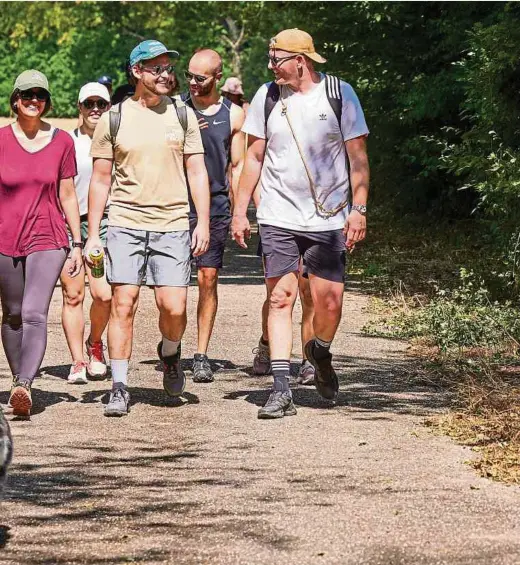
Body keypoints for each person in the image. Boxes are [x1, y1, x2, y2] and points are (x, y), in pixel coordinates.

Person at [231, 29, 370, 419]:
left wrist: (358, 210)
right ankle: (281, 388)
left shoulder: (340, 95)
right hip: (278, 215)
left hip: (328, 219)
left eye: (277, 59)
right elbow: (254, 158)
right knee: (280, 299)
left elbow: (357, 158)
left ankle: (320, 352)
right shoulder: (268, 96)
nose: (271, 66)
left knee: (329, 303)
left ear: (300, 61)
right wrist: (242, 210)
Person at [85, 40, 210, 417]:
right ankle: (120, 385)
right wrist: (93, 234)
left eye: (168, 68)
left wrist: (201, 221)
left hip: (172, 224)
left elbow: (197, 171)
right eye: (155, 68)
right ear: (137, 72)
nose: (165, 75)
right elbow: (100, 181)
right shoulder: (114, 117)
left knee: (174, 307)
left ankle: (170, 353)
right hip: (125, 223)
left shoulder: (183, 116)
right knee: (124, 303)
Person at [0, 70, 82, 417]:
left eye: (41, 96)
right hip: (4, 237)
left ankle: (24, 383)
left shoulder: (62, 141)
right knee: (13, 313)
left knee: (34, 312)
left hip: (48, 236)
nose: (35, 101)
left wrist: (77, 242)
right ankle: (21, 379)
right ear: (15, 100)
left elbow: (67, 193)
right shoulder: (0, 140)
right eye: (28, 95)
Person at [181, 49, 245, 383]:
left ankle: (201, 354)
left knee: (207, 279)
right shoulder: (177, 109)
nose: (191, 82)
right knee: (173, 287)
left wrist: (239, 213)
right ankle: (171, 344)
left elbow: (237, 168)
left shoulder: (234, 116)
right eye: (188, 75)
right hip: (176, 207)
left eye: (199, 78)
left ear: (217, 77)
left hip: (217, 208)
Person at [60, 82, 112, 384]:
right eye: (88, 104)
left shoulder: (116, 139)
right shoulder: (67, 141)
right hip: (70, 222)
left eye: (100, 104)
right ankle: (78, 361)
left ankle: (95, 343)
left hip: (105, 222)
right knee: (73, 293)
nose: (95, 109)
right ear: (79, 107)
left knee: (103, 294)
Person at [252, 186, 316, 385]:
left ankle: (309, 360)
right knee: (277, 296)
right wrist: (264, 213)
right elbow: (255, 174)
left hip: (313, 223)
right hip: (277, 221)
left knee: (309, 294)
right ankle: (266, 342)